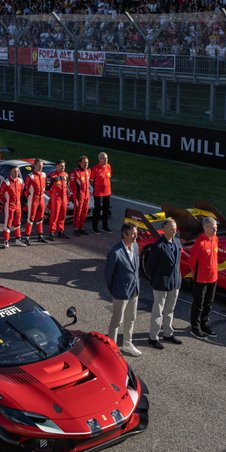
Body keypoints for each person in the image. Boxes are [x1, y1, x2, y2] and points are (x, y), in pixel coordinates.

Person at [104, 223, 142, 356]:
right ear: (124, 234)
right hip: (120, 292)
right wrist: (115, 291)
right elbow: (108, 276)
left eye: (136, 233)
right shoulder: (115, 252)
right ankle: (112, 348)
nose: (135, 236)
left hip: (134, 290)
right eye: (133, 234)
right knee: (117, 321)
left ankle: (127, 344)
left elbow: (135, 269)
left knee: (131, 318)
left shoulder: (136, 247)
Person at [145, 218, 184, 348]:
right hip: (161, 283)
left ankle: (168, 333)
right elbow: (150, 267)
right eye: (172, 228)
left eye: (175, 228)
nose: (175, 231)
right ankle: (153, 337)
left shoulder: (177, 242)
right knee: (158, 311)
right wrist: (158, 278)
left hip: (175, 282)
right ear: (164, 229)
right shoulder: (158, 246)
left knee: (170, 310)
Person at [187, 216, 220, 339]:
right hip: (201, 279)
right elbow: (192, 262)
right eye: (212, 228)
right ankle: (195, 327)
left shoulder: (215, 239)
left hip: (213, 278)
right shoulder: (199, 243)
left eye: (216, 228)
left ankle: (204, 324)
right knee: (198, 304)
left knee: (209, 303)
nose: (215, 230)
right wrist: (196, 274)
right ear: (205, 228)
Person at [23, 159, 48, 244]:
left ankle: (40, 235)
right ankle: (27, 237)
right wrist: (29, 199)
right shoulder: (30, 176)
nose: (41, 167)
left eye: (42, 165)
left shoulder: (44, 175)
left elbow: (44, 187)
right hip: (33, 199)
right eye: (39, 165)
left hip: (41, 198)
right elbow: (26, 190)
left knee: (40, 217)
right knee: (31, 218)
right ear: (34, 165)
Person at [0, 165, 25, 247]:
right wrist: (6, 203)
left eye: (17, 171)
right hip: (9, 205)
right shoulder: (6, 182)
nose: (16, 173)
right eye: (15, 171)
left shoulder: (20, 181)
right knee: (8, 222)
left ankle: (18, 239)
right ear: (10, 172)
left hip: (18, 204)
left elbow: (21, 192)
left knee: (18, 222)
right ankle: (6, 240)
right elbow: (1, 195)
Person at [46, 160, 70, 241]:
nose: (63, 167)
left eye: (64, 166)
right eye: (61, 166)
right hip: (56, 198)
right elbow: (47, 189)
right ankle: (51, 233)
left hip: (64, 198)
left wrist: (67, 198)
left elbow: (68, 187)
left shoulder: (66, 175)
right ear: (57, 166)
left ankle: (61, 231)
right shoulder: (51, 176)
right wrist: (53, 195)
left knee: (62, 215)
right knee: (54, 215)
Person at [90, 151, 113, 233]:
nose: (106, 160)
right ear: (100, 159)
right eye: (104, 158)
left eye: (107, 158)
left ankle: (105, 226)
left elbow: (109, 177)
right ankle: (94, 227)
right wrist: (96, 187)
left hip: (107, 191)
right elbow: (91, 181)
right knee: (97, 209)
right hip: (98, 192)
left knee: (106, 209)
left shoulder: (108, 166)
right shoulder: (95, 168)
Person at [70, 155, 91, 236]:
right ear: (80, 163)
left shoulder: (88, 171)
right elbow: (71, 185)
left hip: (86, 195)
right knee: (78, 212)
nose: (86, 164)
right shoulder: (75, 172)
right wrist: (74, 195)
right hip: (79, 195)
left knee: (85, 212)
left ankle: (81, 228)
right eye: (84, 163)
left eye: (87, 163)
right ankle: (75, 229)